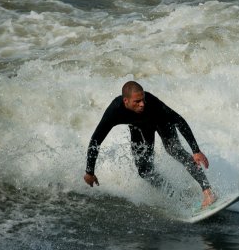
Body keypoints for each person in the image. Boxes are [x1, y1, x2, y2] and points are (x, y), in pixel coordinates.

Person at [84, 81, 216, 207]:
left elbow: (178, 120)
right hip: (140, 127)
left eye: (143, 99)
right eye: (137, 101)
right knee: (145, 171)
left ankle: (208, 193)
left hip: (161, 121)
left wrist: (196, 151)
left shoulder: (151, 102)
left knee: (174, 150)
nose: (142, 104)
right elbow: (96, 140)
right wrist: (89, 172)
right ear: (126, 101)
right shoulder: (114, 111)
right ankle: (178, 197)